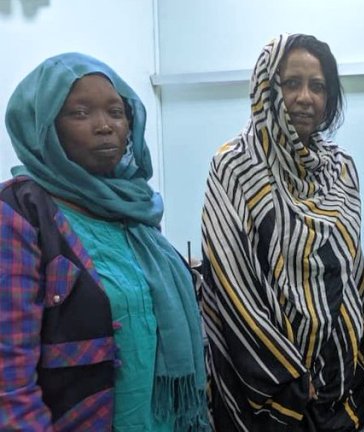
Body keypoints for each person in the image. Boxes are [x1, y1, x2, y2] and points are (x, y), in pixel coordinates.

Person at [0, 53, 209, 431]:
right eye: (80, 113)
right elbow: (8, 377)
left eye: (116, 111)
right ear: (43, 127)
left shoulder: (133, 209)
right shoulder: (21, 214)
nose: (105, 126)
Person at [200, 34, 364, 432]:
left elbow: (350, 269)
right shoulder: (235, 165)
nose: (304, 97)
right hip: (270, 382)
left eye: (317, 86)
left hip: (341, 376)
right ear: (267, 87)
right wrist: (287, 376)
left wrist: (361, 349)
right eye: (291, 83)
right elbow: (233, 281)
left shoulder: (341, 168)